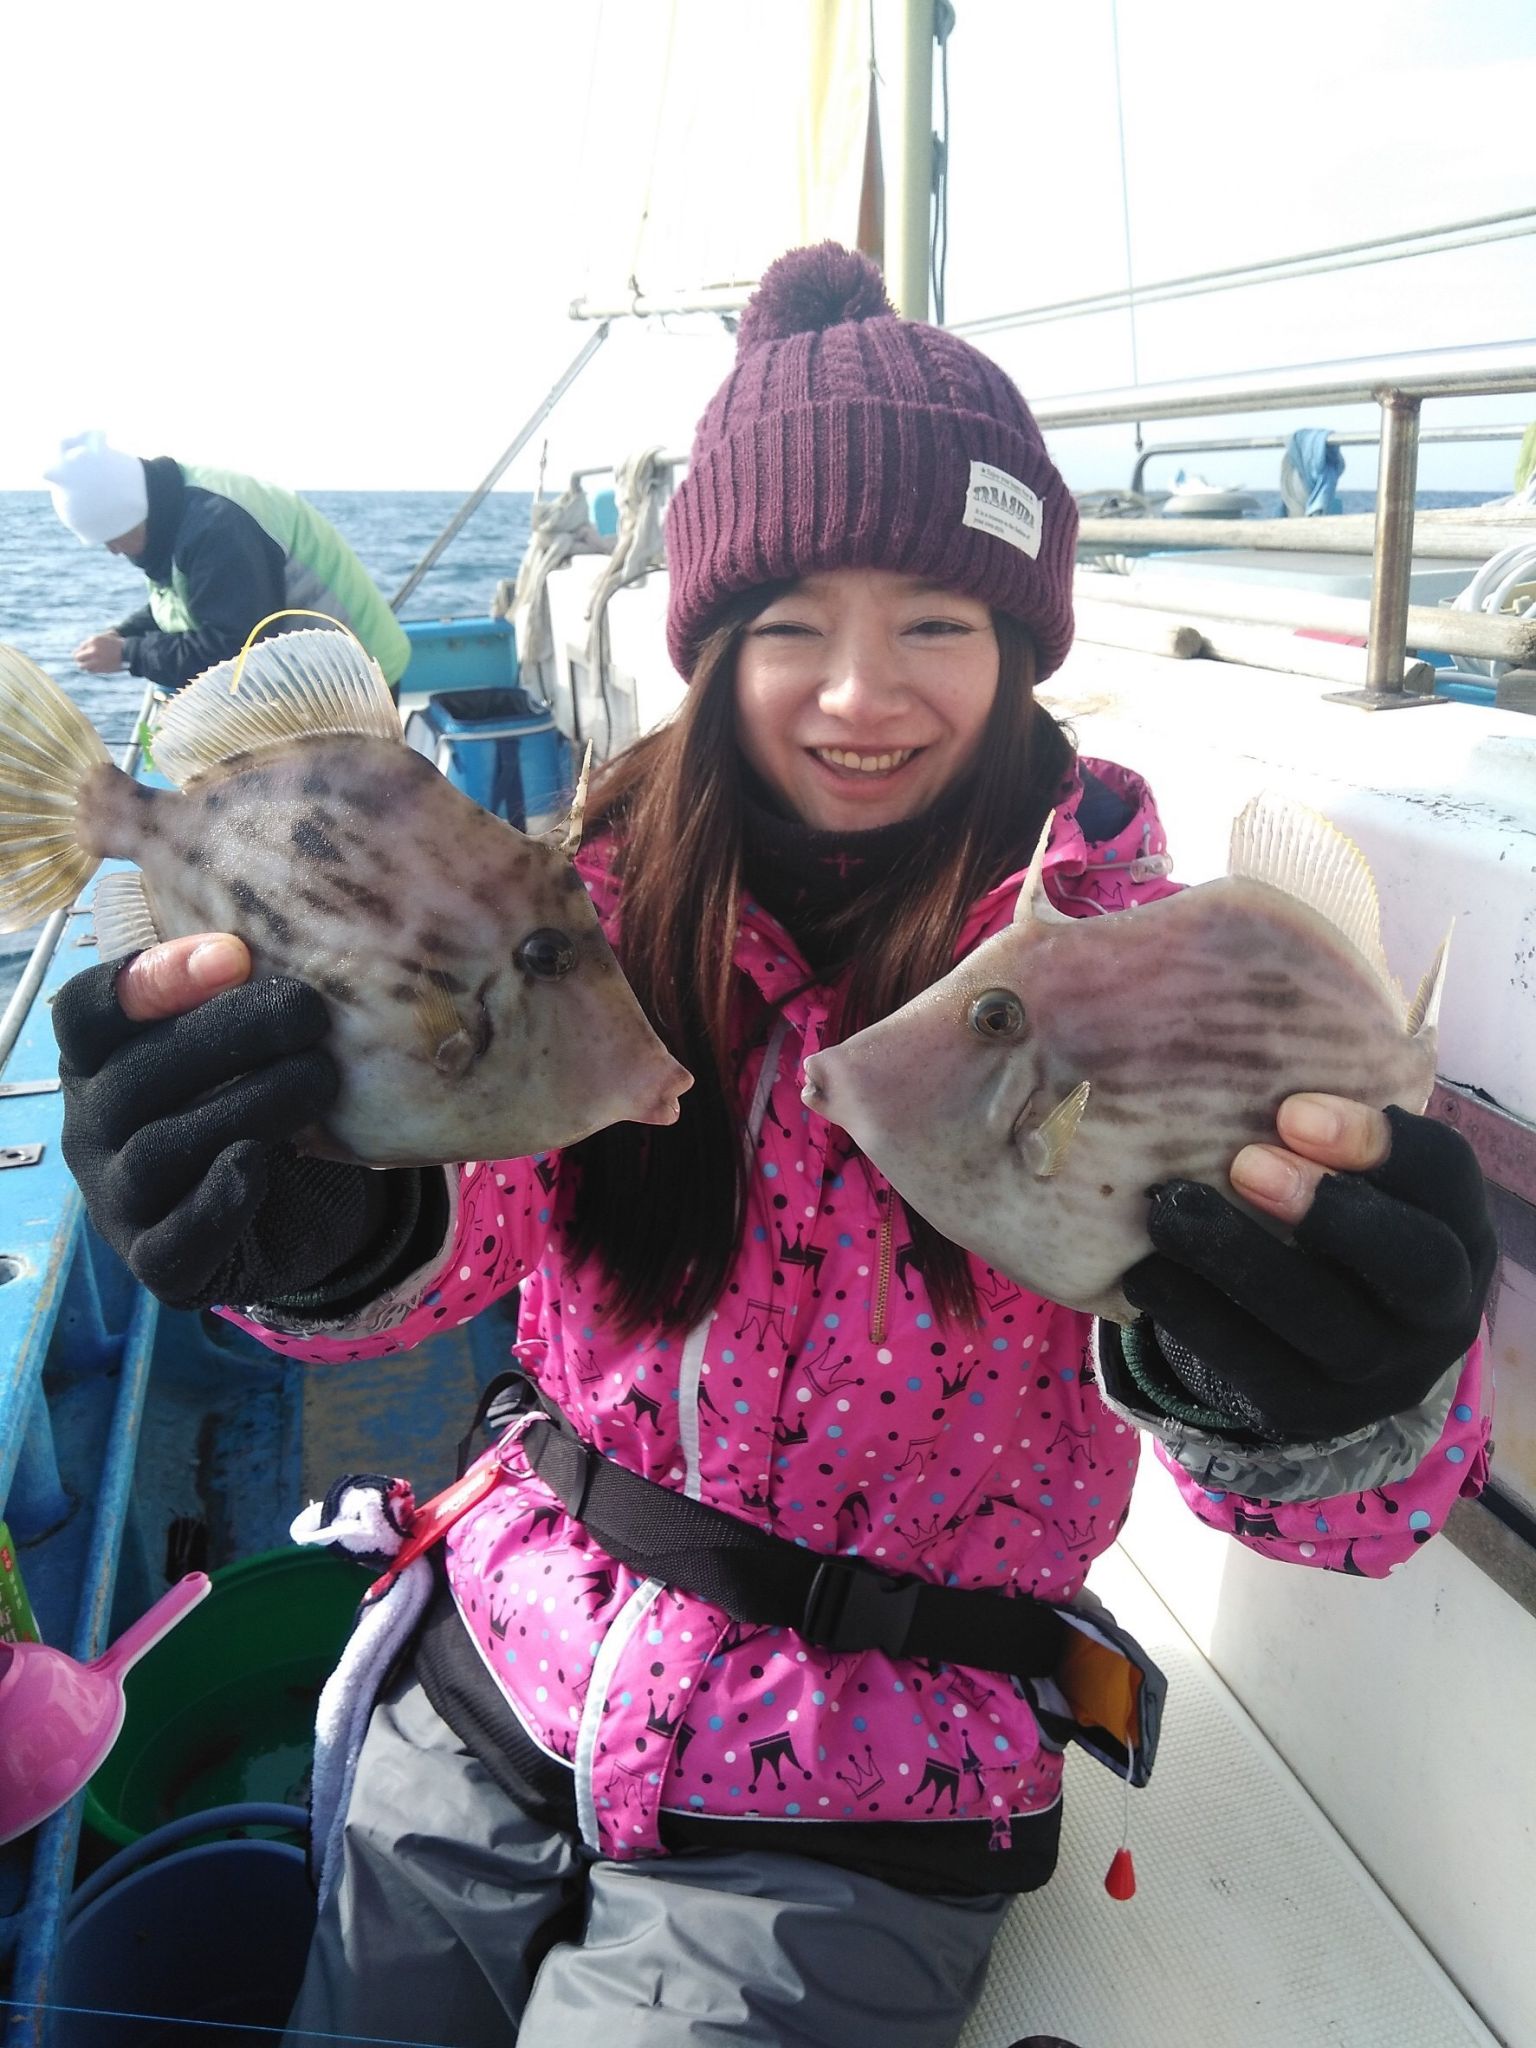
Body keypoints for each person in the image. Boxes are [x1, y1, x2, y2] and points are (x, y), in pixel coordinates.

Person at [51, 245, 1495, 2048]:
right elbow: (461, 1227)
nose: (857, 693)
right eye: (790, 622)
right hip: (491, 1665)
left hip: (857, 1800)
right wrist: (311, 1218)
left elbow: (1332, 1501)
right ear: (713, 643)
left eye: (938, 624)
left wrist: (1331, 1396)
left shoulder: (1137, 975)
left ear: (1024, 644)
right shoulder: (590, 909)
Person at [43, 430, 412, 693]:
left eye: (112, 536)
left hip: (353, 679)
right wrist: (125, 633)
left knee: (345, 802)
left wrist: (129, 653)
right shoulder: (169, 510)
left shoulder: (216, 527)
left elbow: (235, 648)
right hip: (308, 673)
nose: (113, 550)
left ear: (129, 514)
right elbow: (195, 596)